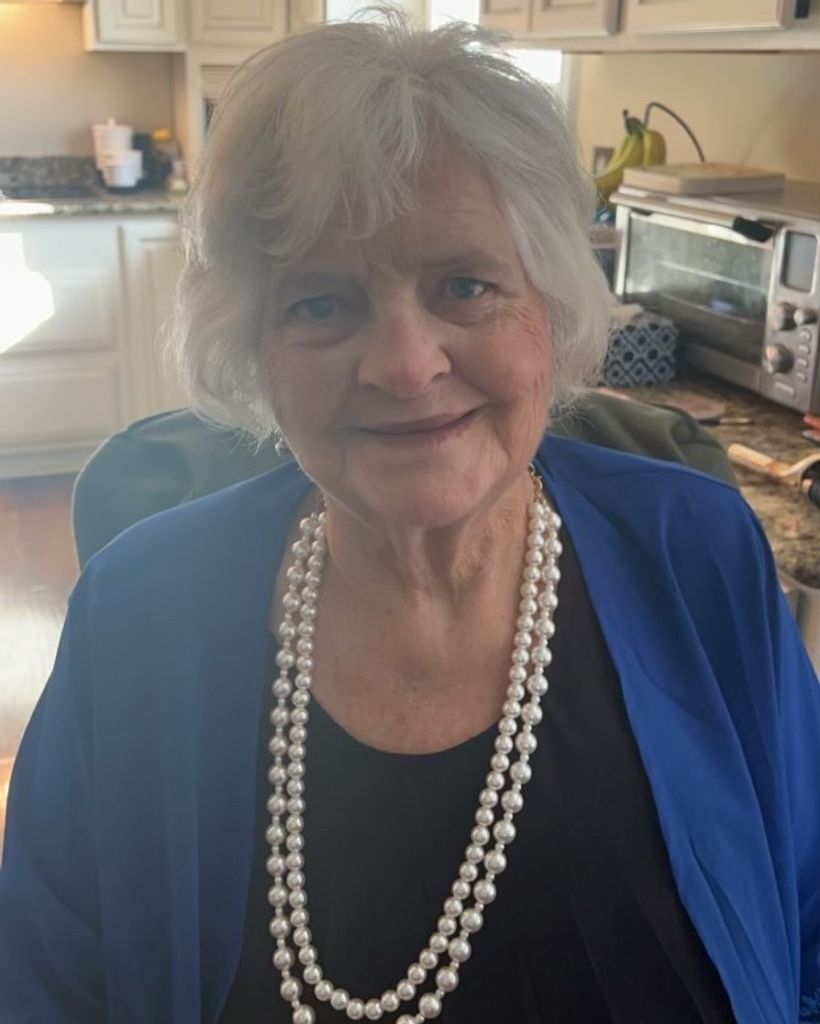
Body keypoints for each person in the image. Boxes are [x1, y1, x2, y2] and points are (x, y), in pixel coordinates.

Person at [1, 13, 818, 1024]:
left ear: (552, 305)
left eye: (464, 285)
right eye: (320, 303)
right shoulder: (136, 614)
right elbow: (45, 985)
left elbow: (809, 921)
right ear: (251, 343)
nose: (404, 365)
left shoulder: (697, 553)